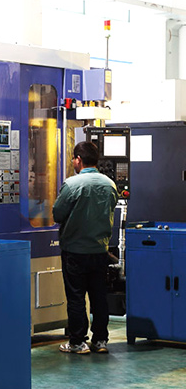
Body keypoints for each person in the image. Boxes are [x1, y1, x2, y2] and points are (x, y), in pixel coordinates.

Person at [53, 140, 119, 355]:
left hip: (75, 252)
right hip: (100, 251)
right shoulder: (110, 184)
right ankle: (100, 340)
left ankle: (77, 342)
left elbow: (57, 214)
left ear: (78, 160)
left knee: (76, 298)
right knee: (99, 297)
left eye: (73, 158)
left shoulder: (72, 185)